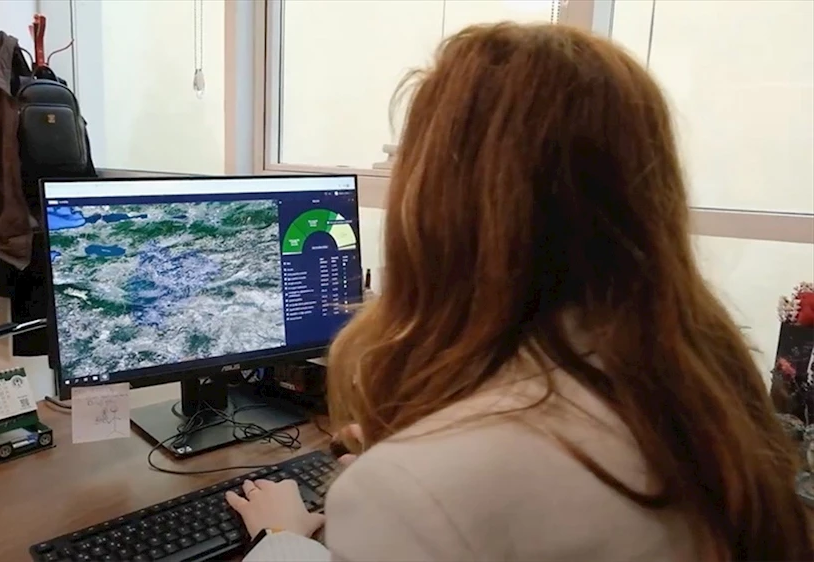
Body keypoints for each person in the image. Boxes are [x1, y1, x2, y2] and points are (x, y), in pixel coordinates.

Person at [225, 22, 813, 562]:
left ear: (435, 209)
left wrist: (282, 539)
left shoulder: (412, 491)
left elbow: (466, 497)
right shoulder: (707, 391)